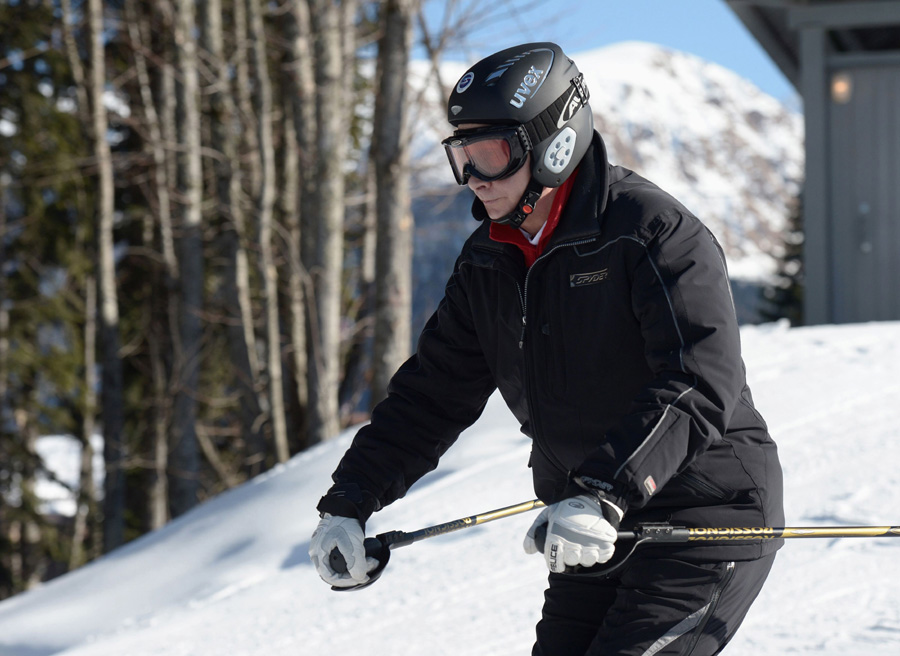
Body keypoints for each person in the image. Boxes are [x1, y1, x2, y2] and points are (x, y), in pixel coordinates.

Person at [309, 42, 784, 655]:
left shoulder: (651, 233)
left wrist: (602, 491)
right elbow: (433, 394)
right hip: (586, 523)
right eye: (463, 156)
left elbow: (698, 381)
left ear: (554, 142)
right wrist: (350, 500)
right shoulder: (491, 257)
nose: (475, 180)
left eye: (493, 156)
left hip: (701, 520)